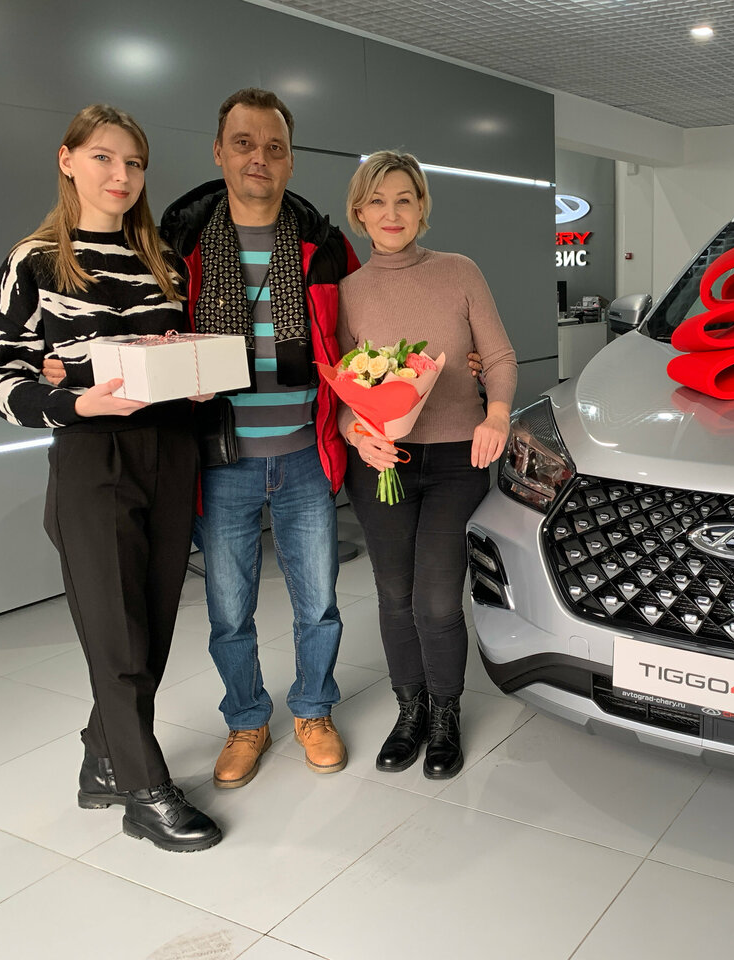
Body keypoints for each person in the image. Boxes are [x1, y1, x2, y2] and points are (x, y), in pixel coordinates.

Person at [0, 104, 221, 852]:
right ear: (68, 159)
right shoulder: (36, 260)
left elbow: (171, 354)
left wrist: (195, 373)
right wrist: (73, 401)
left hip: (171, 450)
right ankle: (146, 792)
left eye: (134, 163)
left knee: (153, 626)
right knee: (116, 635)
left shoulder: (162, 259)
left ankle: (103, 757)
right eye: (105, 158)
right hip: (92, 456)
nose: (121, 175)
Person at [159, 88, 359, 787]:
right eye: (244, 143)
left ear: (290, 160)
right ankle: (246, 719)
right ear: (219, 152)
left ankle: (313, 709)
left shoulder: (324, 246)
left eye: (274, 147)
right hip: (221, 462)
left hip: (306, 454)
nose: (259, 158)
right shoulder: (180, 246)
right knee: (228, 610)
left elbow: (364, 332)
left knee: (319, 603)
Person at [338, 151, 517, 779]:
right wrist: (357, 435)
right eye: (378, 202)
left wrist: (497, 415)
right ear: (359, 213)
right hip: (381, 462)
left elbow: (499, 357)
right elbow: (344, 387)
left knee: (438, 599)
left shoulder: (459, 271)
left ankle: (445, 714)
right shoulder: (349, 292)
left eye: (404, 199)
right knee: (394, 594)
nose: (392, 213)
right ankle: (408, 711)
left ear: (422, 208)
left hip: (455, 460)